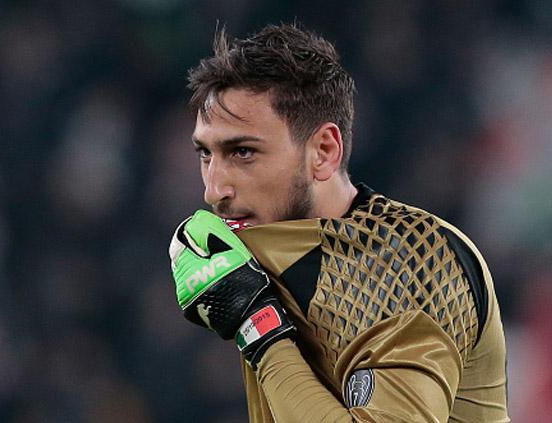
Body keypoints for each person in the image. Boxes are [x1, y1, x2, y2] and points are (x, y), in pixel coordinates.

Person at [168, 23, 509, 422]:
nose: (214, 191)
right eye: (206, 155)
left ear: (324, 152)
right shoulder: (265, 264)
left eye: (243, 152)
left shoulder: (413, 259)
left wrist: (256, 325)